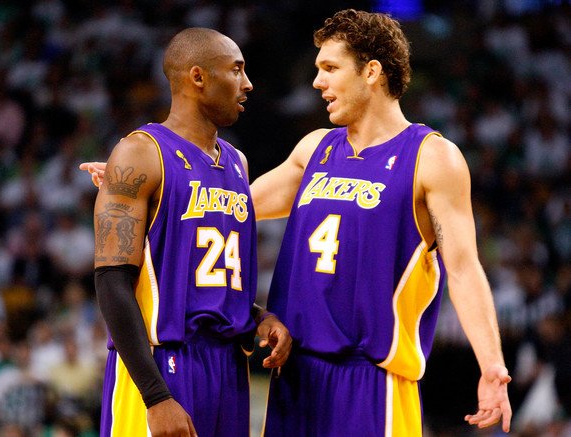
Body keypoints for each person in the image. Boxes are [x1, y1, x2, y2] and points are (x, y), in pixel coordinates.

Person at [81, 9, 512, 436]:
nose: (317, 82)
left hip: (370, 377)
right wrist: (152, 183)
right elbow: (227, 206)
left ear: (371, 72)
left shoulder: (431, 157)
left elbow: (463, 267)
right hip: (295, 375)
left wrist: (492, 365)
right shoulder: (315, 150)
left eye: (330, 68)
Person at [88, 27, 290, 437]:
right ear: (198, 77)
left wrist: (259, 317)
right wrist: (155, 396)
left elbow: (201, 279)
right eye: (236, 70)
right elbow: (111, 281)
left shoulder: (237, 162)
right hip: (162, 363)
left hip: (228, 366)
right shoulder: (141, 152)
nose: (248, 84)